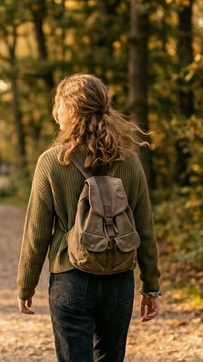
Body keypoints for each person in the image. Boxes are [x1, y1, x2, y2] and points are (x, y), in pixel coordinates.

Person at [16, 74, 162, 362]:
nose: (55, 112)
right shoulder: (129, 161)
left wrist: (26, 284)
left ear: (70, 109)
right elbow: (145, 229)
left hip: (70, 276)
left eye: (58, 104)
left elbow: (37, 232)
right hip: (119, 278)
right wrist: (151, 285)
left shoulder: (52, 161)